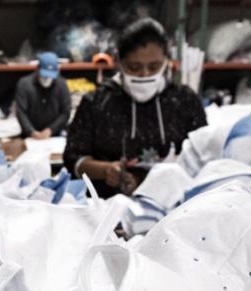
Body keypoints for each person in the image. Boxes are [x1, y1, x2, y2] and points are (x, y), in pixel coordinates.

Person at [63, 17, 207, 197]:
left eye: (154, 67)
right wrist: (105, 170)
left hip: (174, 201)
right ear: (119, 62)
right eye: (134, 67)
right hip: (108, 203)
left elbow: (204, 154)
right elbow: (73, 159)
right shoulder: (97, 102)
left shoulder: (184, 100)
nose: (144, 74)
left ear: (166, 62)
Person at [14, 52, 71, 140]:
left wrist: (50, 130)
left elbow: (66, 112)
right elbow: (21, 112)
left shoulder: (62, 85)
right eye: (44, 75)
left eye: (50, 76)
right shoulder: (24, 84)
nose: (47, 79)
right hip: (29, 136)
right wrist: (31, 131)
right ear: (37, 69)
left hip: (55, 136)